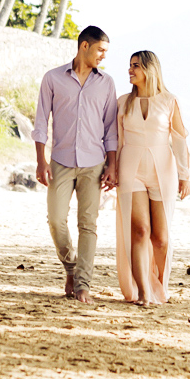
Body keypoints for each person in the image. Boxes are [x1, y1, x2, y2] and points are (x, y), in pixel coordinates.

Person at [33, 26, 118, 304]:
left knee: (88, 224)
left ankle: (83, 284)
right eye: (100, 50)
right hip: (60, 161)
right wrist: (40, 160)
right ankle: (70, 266)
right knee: (56, 219)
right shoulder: (53, 78)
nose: (103, 56)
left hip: (94, 163)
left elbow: (110, 129)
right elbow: (41, 122)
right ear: (84, 46)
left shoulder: (106, 83)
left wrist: (112, 166)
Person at [115, 51, 190, 306]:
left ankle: (158, 283)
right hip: (130, 167)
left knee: (160, 238)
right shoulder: (123, 102)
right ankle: (144, 291)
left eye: (135, 66)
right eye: (130, 66)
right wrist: (112, 169)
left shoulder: (169, 101)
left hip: (162, 169)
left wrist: (185, 175)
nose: (130, 70)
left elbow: (179, 139)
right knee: (139, 231)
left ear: (150, 69)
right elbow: (117, 140)